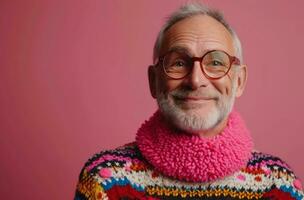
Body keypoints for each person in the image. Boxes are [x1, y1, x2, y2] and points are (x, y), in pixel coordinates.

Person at [74, 3, 303, 200]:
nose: (195, 80)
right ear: (154, 81)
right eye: (179, 63)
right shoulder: (107, 180)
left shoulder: (277, 183)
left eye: (215, 63)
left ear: (239, 81)